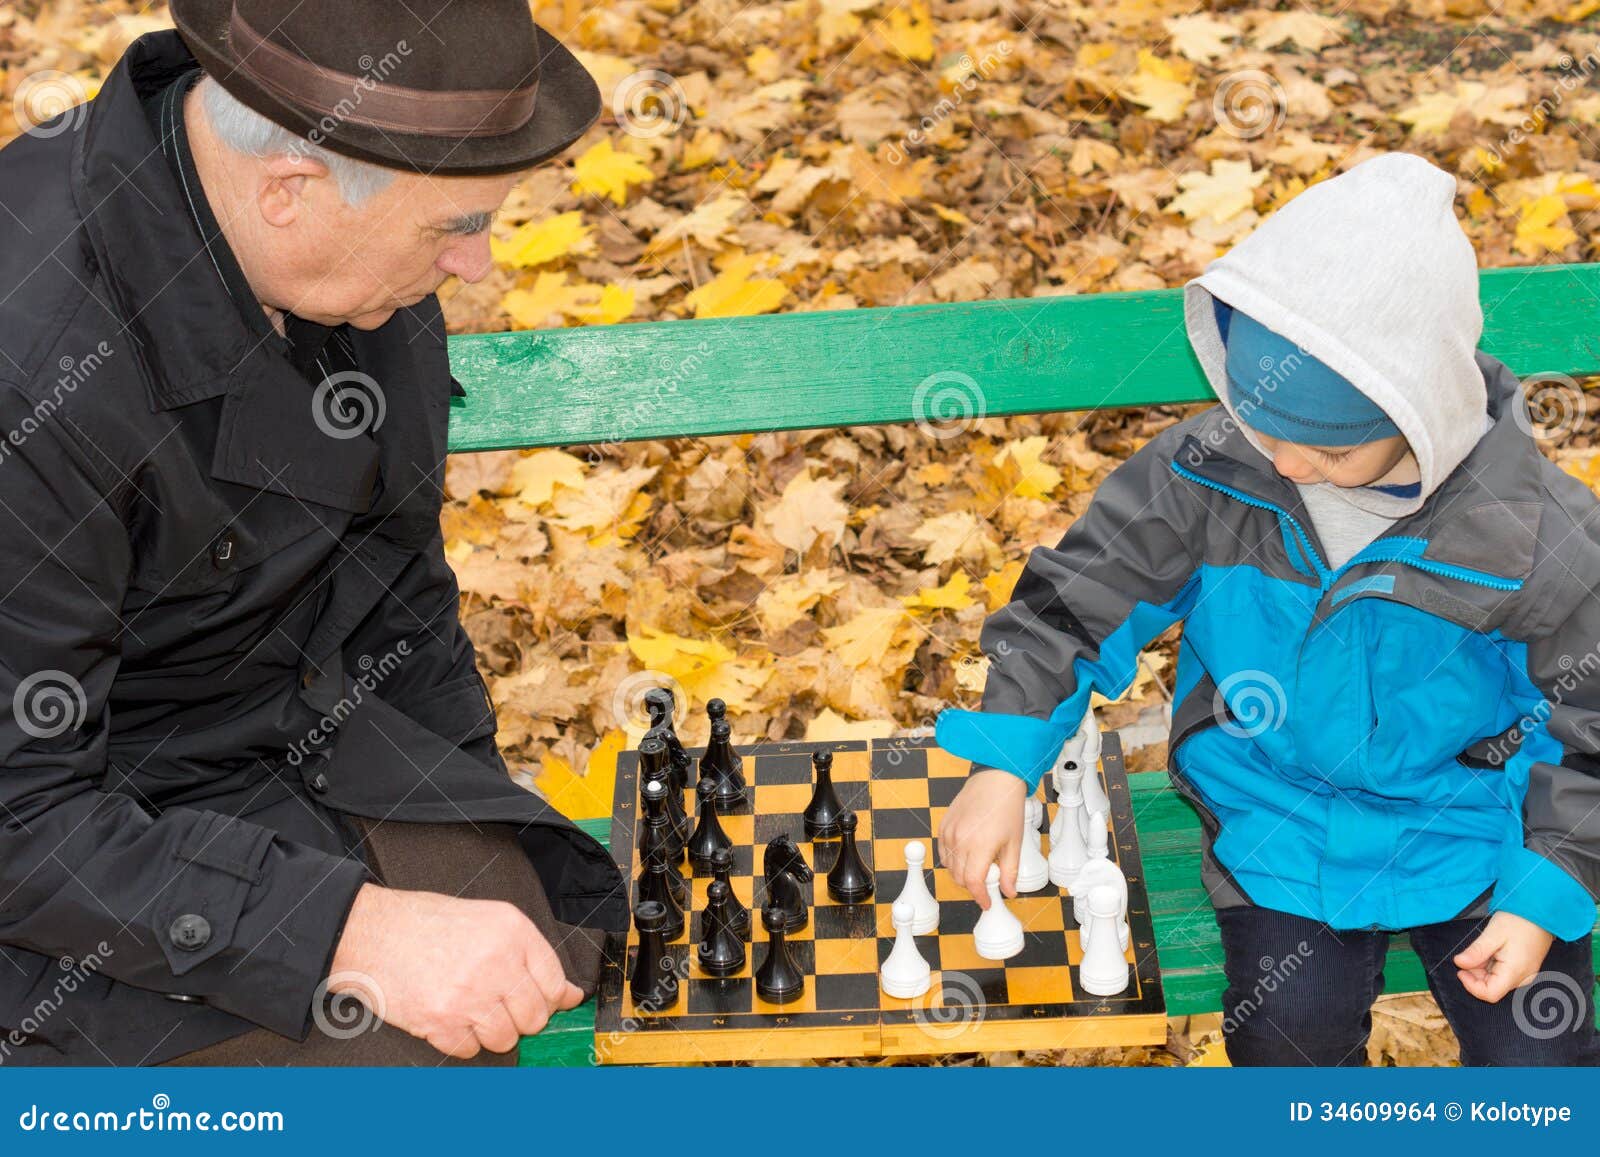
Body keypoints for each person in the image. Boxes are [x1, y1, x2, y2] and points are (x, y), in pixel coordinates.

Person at [0, 0, 625, 1066]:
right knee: (412, 1077)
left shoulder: (352, 262)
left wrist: (463, 789)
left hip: (270, 758)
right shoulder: (31, 364)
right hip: (63, 875)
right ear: (290, 191)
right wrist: (347, 928)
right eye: (457, 227)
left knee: (554, 926)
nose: (477, 267)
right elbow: (20, 817)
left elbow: (398, 585)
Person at [936, 152, 1600, 1065]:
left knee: (1548, 1069)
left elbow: (1590, 722)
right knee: (1286, 1046)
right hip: (1278, 824)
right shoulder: (1207, 475)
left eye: (1325, 451)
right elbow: (1073, 605)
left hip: (1480, 830)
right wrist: (1003, 764)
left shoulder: (1535, 535)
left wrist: (1547, 887)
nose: (1284, 464)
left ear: (1419, 414)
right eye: (1263, 428)